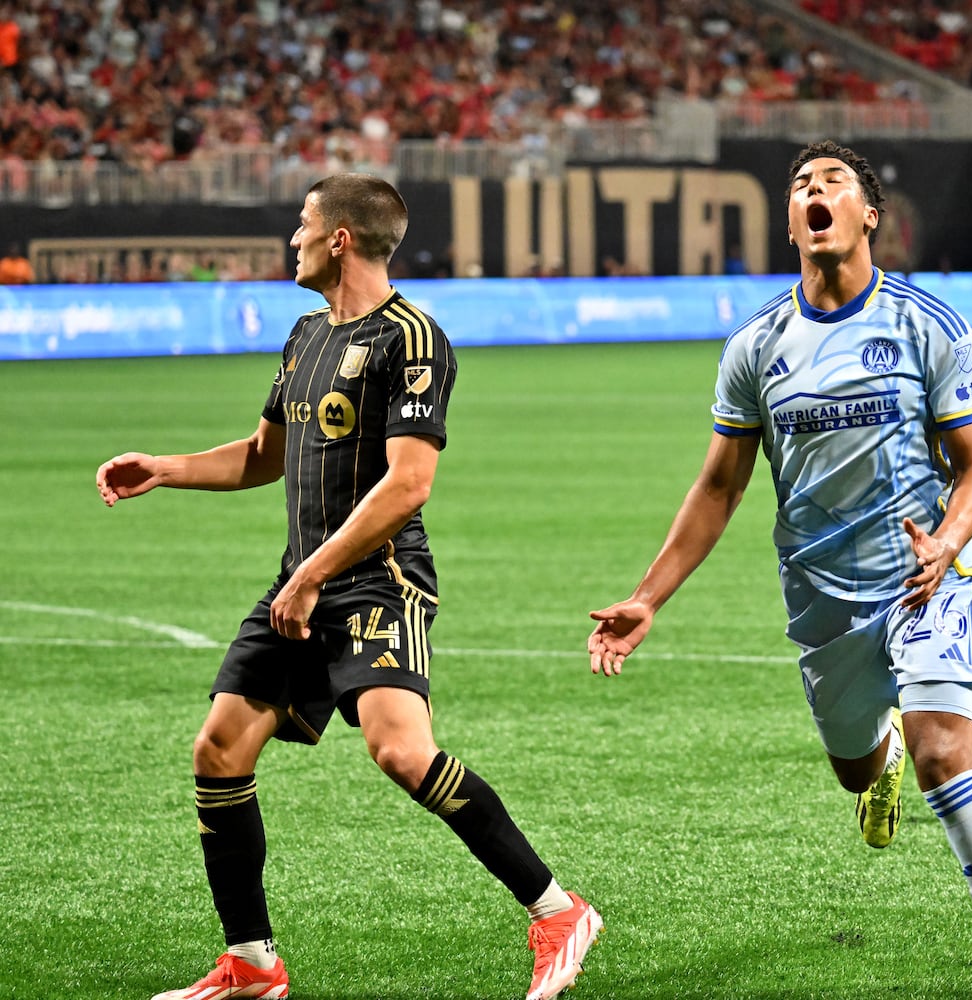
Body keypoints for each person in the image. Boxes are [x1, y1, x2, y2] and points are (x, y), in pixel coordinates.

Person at [96, 173, 600, 1000]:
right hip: (303, 581)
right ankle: (252, 965)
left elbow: (408, 485)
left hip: (377, 579)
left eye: (301, 225)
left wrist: (311, 575)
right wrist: (167, 467)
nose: (291, 238)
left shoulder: (413, 337)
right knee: (219, 750)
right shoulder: (304, 335)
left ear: (338, 239)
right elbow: (266, 454)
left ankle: (556, 909)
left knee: (401, 751)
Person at [587, 141, 972, 1000]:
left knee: (943, 758)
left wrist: (949, 544)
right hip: (821, 593)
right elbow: (720, 484)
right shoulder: (756, 344)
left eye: (831, 182)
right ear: (792, 220)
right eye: (800, 184)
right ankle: (873, 758)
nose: (813, 191)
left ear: (866, 215)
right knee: (857, 764)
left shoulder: (928, 324)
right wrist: (646, 597)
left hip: (927, 577)